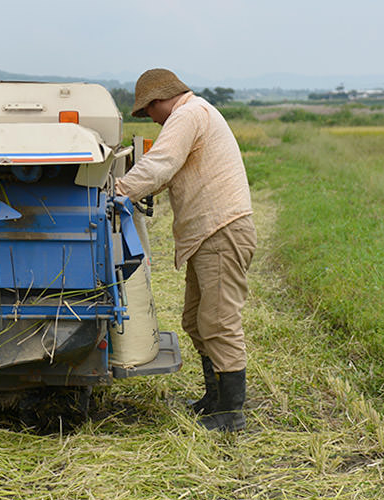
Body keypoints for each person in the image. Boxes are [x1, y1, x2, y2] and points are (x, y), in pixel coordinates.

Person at [115, 68, 256, 431]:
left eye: (148, 113)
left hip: (221, 231)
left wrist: (118, 192)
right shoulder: (195, 115)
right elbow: (169, 172)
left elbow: (161, 165)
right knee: (195, 320)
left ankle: (230, 412)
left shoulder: (188, 115)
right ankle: (214, 399)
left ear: (158, 100)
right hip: (209, 234)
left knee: (219, 321)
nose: (151, 121)